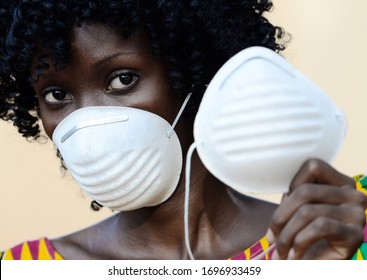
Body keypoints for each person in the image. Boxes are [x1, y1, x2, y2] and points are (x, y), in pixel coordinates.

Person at [0, 0, 366, 260]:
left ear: (194, 75)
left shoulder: (338, 226)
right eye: (56, 94)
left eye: (122, 79)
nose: (86, 119)